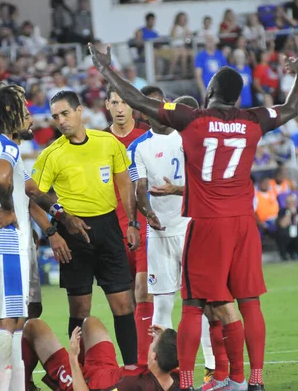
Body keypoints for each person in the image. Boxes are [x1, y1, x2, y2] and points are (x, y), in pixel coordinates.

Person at [90, 43, 298, 390]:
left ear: (208, 92)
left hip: (207, 223)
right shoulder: (254, 119)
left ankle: (187, 384)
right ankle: (253, 381)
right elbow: (293, 107)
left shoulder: (193, 119)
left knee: (192, 304)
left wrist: (105, 69)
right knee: (249, 302)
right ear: (238, 97)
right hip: (244, 224)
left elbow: (139, 102)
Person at [0, 85, 86, 390]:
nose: (29, 118)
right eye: (23, 111)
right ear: (9, 114)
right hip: (2, 243)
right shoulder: (6, 147)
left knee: (7, 325)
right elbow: (0, 178)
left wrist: (62, 215)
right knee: (5, 324)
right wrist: (9, 210)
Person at [31, 90, 140, 367]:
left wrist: (133, 222)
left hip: (109, 228)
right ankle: (77, 375)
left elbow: (125, 183)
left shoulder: (108, 142)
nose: (61, 121)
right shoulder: (51, 155)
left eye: (65, 113)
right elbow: (31, 198)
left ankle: (130, 373)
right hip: (73, 234)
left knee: (124, 305)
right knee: (80, 310)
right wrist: (52, 233)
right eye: (56, 116)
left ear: (80, 111)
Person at [129, 89, 217, 384]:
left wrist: (175, 192)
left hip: (191, 229)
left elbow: (205, 180)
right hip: (160, 235)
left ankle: (212, 368)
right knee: (163, 305)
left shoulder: (186, 135)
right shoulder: (139, 147)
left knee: (200, 303)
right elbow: (139, 188)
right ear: (144, 112)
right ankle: (164, 374)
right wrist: (147, 212)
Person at [104, 86, 152, 365]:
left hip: (145, 225)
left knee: (143, 290)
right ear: (106, 105)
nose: (120, 108)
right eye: (114, 102)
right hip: (114, 230)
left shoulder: (147, 134)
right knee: (125, 302)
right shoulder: (99, 140)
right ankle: (135, 362)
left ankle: (147, 362)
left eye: (124, 102)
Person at [22, 316, 180, 390]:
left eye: (154, 343)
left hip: (85, 383)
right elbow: (179, 356)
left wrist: (73, 359)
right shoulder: (175, 377)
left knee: (34, 326)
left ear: (154, 356)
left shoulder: (132, 385)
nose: (151, 342)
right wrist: (168, 337)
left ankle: (26, 386)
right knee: (91, 323)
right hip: (107, 369)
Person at [276, 193, 298, 260]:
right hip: (287, 235)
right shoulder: (282, 211)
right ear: (286, 204)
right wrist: (289, 213)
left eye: (293, 202)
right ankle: (284, 255)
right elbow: (282, 224)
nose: (291, 204)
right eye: (289, 203)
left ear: (296, 203)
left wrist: (295, 214)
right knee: (281, 233)